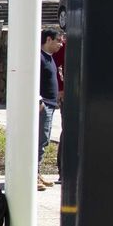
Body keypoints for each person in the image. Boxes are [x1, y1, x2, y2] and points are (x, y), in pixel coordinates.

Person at [38, 28, 63, 191]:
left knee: (44, 140)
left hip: (51, 103)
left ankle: (36, 173)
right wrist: (38, 99)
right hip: (43, 104)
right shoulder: (38, 58)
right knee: (40, 140)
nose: (60, 44)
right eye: (58, 41)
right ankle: (32, 175)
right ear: (48, 40)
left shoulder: (50, 58)